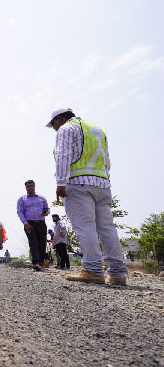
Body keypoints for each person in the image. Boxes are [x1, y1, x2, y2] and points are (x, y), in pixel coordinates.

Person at [47, 108, 127, 284]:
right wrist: (105, 181)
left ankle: (93, 270)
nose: (54, 129)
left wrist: (61, 183)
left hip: (78, 183)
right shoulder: (98, 130)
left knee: (85, 226)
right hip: (102, 184)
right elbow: (107, 160)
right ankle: (118, 273)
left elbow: (63, 155)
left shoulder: (66, 129)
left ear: (59, 119)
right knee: (107, 227)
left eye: (53, 124)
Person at [16, 180, 50, 271]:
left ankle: (41, 263)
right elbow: (20, 212)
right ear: (26, 188)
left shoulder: (42, 198)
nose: (30, 188)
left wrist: (46, 212)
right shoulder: (22, 199)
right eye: (28, 186)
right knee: (33, 243)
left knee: (42, 243)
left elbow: (47, 209)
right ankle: (36, 262)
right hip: (29, 224)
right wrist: (25, 223)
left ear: (35, 186)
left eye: (32, 186)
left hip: (41, 223)